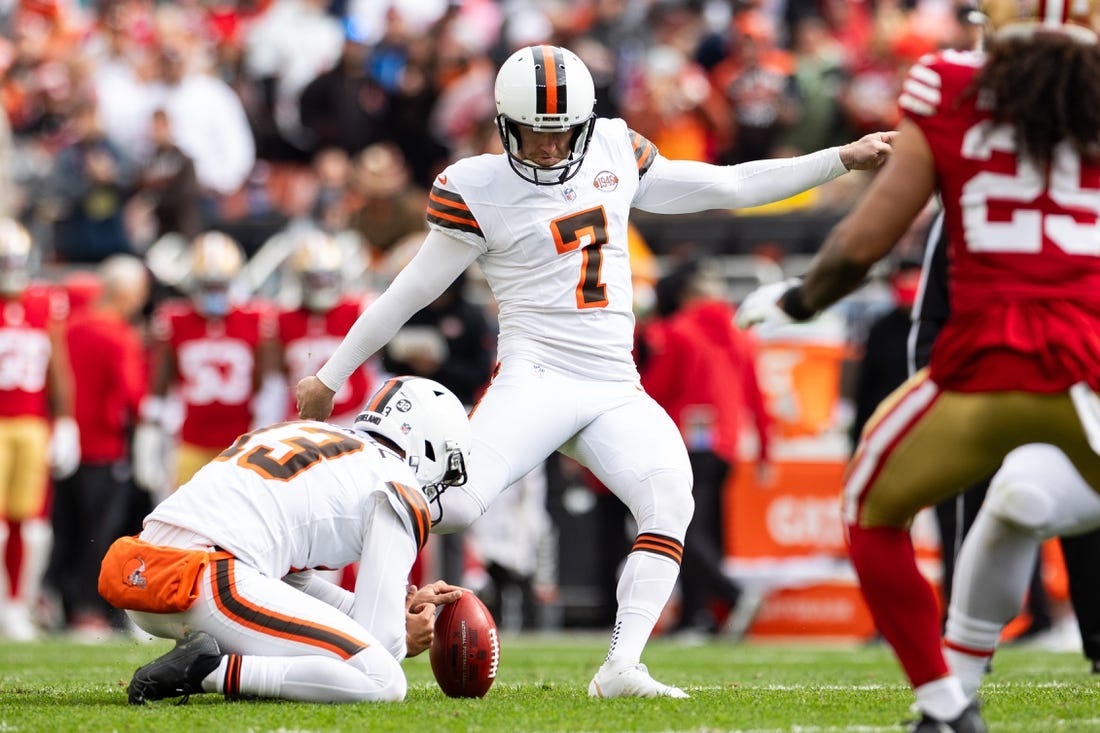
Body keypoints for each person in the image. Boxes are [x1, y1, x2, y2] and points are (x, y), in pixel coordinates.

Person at [297, 44, 893, 698]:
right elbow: (406, 292)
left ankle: (622, 666)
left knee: (671, 493)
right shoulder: (478, 187)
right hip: (538, 375)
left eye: (561, 134)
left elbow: (728, 186)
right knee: (460, 506)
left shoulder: (614, 147)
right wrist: (331, 373)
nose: (549, 149)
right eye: (533, 133)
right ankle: (296, 543)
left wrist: (840, 157)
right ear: (503, 124)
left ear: (584, 124)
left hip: (614, 383)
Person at [735, 3, 1100, 730]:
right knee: (1021, 502)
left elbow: (864, 240)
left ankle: (943, 700)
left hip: (980, 369)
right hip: (1090, 366)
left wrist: (801, 301)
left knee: (871, 506)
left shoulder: (948, 85)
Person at [103, 376, 470, 705]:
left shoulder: (306, 436)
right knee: (382, 679)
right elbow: (383, 641)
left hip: (144, 576)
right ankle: (205, 670)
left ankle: (209, 659)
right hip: (207, 583)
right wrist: (402, 636)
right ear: (430, 445)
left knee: (338, 653)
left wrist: (391, 608)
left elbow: (292, 584)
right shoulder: (396, 480)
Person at [639, 259, 773, 636]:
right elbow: (758, 396)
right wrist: (765, 448)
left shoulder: (676, 332)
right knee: (706, 532)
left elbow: (656, 388)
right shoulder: (741, 335)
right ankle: (697, 616)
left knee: (683, 529)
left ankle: (730, 595)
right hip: (727, 445)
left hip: (686, 441)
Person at [45, 254, 150, 638]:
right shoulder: (118, 336)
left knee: (68, 528)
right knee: (101, 532)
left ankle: (62, 599)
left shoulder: (68, 328)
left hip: (67, 445)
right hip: (105, 447)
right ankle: (88, 608)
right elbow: (133, 396)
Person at [133, 231, 282, 494]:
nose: (214, 293)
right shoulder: (174, 319)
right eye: (207, 285)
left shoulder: (257, 318)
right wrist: (150, 432)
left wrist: (265, 429)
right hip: (190, 440)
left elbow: (269, 385)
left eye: (220, 285)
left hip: (240, 442)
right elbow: (160, 382)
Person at [0, 218, 79, 641]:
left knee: (27, 521)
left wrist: (65, 420)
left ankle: (15, 603)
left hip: (29, 421)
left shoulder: (43, 302)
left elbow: (58, 365)